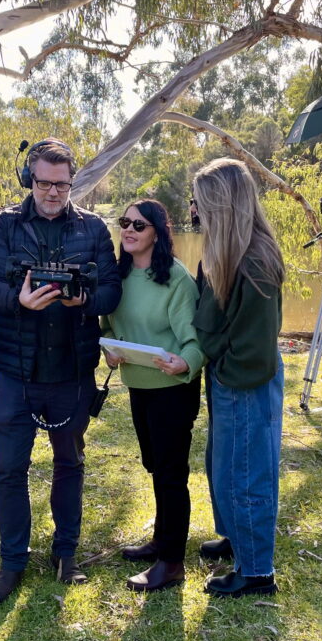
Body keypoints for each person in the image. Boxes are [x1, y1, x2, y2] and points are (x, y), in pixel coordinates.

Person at [0, 138, 121, 604]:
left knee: (70, 464)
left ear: (71, 183)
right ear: (29, 180)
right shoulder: (4, 225)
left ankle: (66, 554)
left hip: (72, 371)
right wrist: (16, 300)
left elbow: (112, 293)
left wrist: (84, 301)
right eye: (44, 183)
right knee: (9, 471)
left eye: (61, 184)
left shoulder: (94, 229)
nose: (53, 192)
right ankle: (12, 562)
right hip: (16, 371)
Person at [191, 158, 285, 598]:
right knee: (222, 465)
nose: (195, 211)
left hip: (243, 382)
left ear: (224, 205)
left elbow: (254, 351)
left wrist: (225, 374)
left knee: (246, 472)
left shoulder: (255, 261)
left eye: (202, 203)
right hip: (227, 378)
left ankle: (256, 570)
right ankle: (236, 538)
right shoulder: (225, 252)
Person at [101, 200, 204, 592]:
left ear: (157, 234)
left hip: (172, 390)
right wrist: (109, 351)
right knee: (154, 465)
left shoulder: (176, 280)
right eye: (124, 222)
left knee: (171, 474)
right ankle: (162, 540)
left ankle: (172, 562)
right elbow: (108, 322)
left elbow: (197, 340)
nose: (128, 230)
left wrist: (186, 362)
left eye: (138, 225)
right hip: (139, 386)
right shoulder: (119, 274)